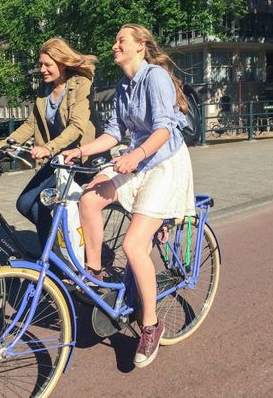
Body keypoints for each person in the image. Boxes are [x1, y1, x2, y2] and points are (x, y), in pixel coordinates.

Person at [63, 24, 195, 368]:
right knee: (89, 198)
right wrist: (80, 152)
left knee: (133, 246)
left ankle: (150, 324)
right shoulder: (124, 85)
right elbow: (114, 133)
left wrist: (135, 156)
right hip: (136, 164)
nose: (113, 46)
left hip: (163, 165)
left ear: (140, 46)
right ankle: (95, 273)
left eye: (120, 40)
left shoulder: (155, 78)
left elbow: (165, 128)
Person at [0, 37, 100, 253]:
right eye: (40, 64)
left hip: (77, 157)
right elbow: (31, 124)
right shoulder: (45, 89)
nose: (42, 69)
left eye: (47, 64)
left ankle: (60, 255)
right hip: (56, 158)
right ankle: (57, 252)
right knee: (24, 204)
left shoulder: (80, 84)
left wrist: (48, 147)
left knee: (38, 204)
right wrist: (2, 144)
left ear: (62, 62)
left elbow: (77, 126)